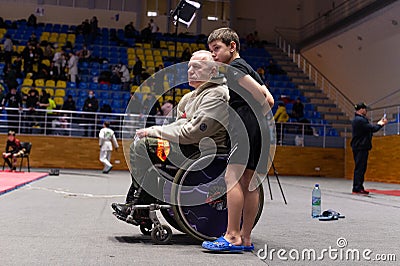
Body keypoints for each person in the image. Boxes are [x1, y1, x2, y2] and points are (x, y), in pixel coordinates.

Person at [111, 50, 229, 220]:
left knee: (143, 146)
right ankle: (138, 204)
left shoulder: (217, 94)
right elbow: (177, 126)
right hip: (186, 148)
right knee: (145, 149)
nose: (190, 71)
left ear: (213, 71)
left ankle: (139, 206)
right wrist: (156, 133)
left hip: (202, 154)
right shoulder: (190, 97)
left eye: (197, 67)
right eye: (189, 67)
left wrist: (154, 131)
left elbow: (192, 133)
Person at [204, 27, 274, 251]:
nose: (213, 54)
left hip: (245, 124)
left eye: (217, 49)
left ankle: (232, 235)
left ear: (232, 47)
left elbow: (263, 98)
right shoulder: (248, 68)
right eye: (211, 50)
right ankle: (245, 238)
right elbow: (270, 100)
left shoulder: (234, 68)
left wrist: (249, 113)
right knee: (250, 183)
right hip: (259, 126)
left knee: (232, 178)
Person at [351, 102, 387, 195]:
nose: (366, 111)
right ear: (361, 109)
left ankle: (358, 186)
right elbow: (372, 129)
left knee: (360, 168)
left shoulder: (358, 119)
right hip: (361, 146)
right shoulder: (360, 120)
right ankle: (357, 187)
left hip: (359, 146)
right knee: (360, 168)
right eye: (365, 109)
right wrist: (381, 124)